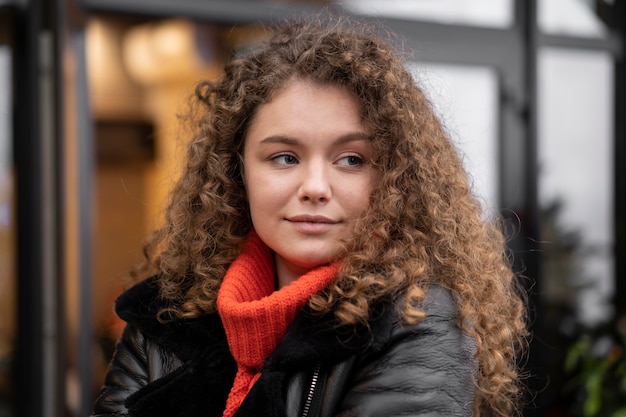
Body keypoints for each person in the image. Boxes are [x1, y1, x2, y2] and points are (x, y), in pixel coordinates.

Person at [90, 13, 528, 417]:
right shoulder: (166, 315)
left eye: (352, 160)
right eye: (284, 157)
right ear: (237, 171)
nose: (315, 188)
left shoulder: (414, 319)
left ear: (394, 178)